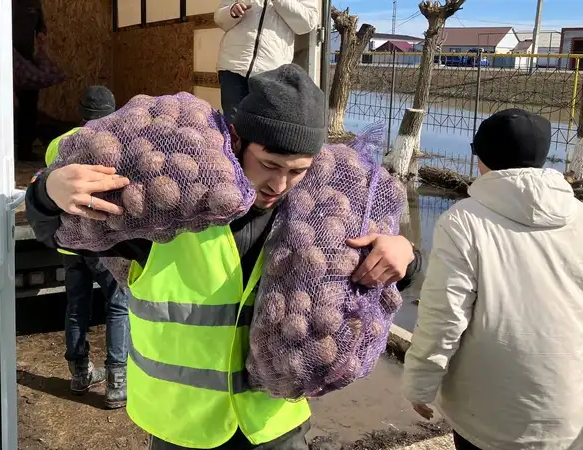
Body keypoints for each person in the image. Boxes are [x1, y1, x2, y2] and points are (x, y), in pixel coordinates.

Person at [26, 64, 421, 449]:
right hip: (183, 428)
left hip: (273, 428)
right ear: (235, 139)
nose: (279, 184)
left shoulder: (321, 217)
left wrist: (405, 255)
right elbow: (57, 234)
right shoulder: (172, 212)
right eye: (268, 164)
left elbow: (390, 274)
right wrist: (47, 193)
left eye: (297, 171)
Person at [402, 109, 583, 450]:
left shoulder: (463, 223)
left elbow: (444, 317)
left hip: (489, 417)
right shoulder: (580, 218)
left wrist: (419, 385)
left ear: (481, 158)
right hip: (569, 410)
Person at [45, 86, 129, 410]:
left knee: (77, 306)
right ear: (112, 112)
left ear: (81, 112)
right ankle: (116, 384)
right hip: (104, 242)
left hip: (69, 242)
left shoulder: (58, 143)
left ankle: (80, 374)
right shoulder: (117, 143)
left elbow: (51, 187)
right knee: (117, 305)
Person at [214, 0, 319, 123]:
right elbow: (219, 18)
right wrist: (231, 11)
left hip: (271, 73)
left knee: (262, 132)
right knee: (234, 129)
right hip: (233, 66)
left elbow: (307, 23)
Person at [13, 0, 48, 161]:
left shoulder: (35, 3)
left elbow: (40, 27)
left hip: (25, 61)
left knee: (29, 103)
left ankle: (25, 150)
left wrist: (41, 35)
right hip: (3, 60)